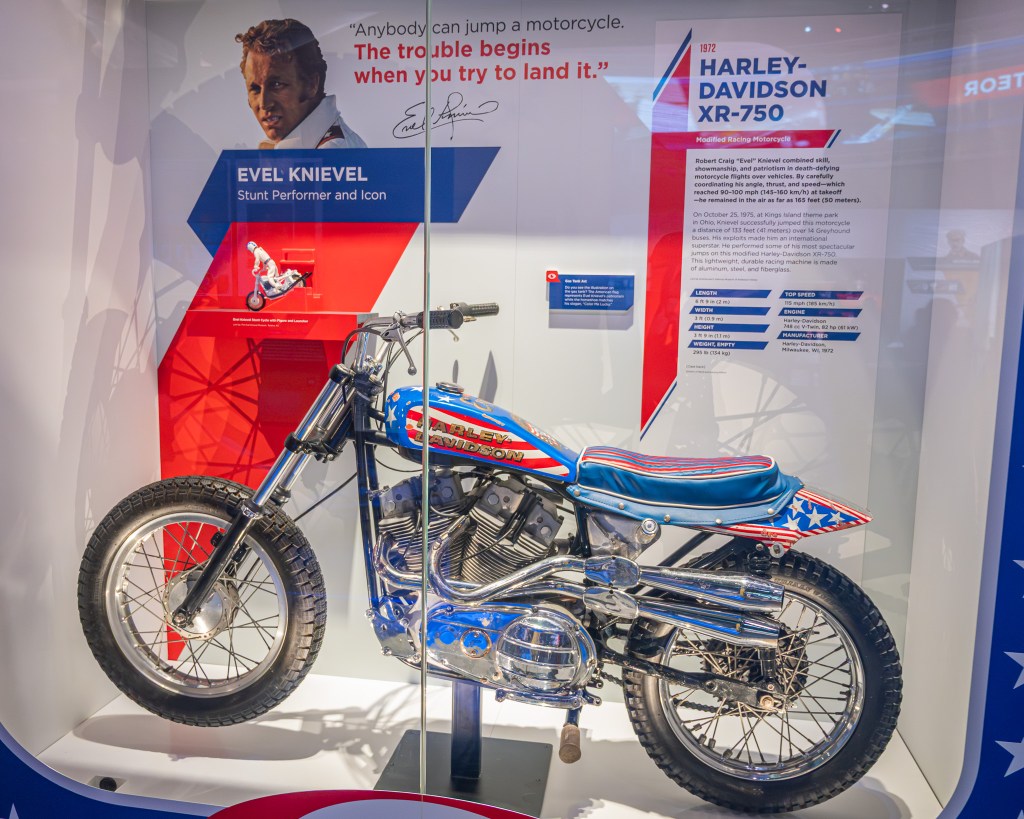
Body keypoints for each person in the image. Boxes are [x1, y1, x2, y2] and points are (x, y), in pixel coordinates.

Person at [235, 19, 366, 150]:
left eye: (276, 84)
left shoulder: (332, 152)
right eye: (255, 88)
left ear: (311, 84)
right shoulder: (297, 146)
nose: (264, 103)